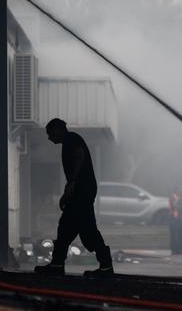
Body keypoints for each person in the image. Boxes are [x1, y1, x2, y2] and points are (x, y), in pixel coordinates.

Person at [34, 118, 113, 276]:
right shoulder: (70, 141)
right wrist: (67, 193)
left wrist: (71, 182)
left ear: (58, 129)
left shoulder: (71, 139)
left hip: (82, 192)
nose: (49, 137)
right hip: (81, 191)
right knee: (67, 228)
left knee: (85, 229)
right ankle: (58, 264)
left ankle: (105, 266)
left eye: (50, 133)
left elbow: (79, 156)